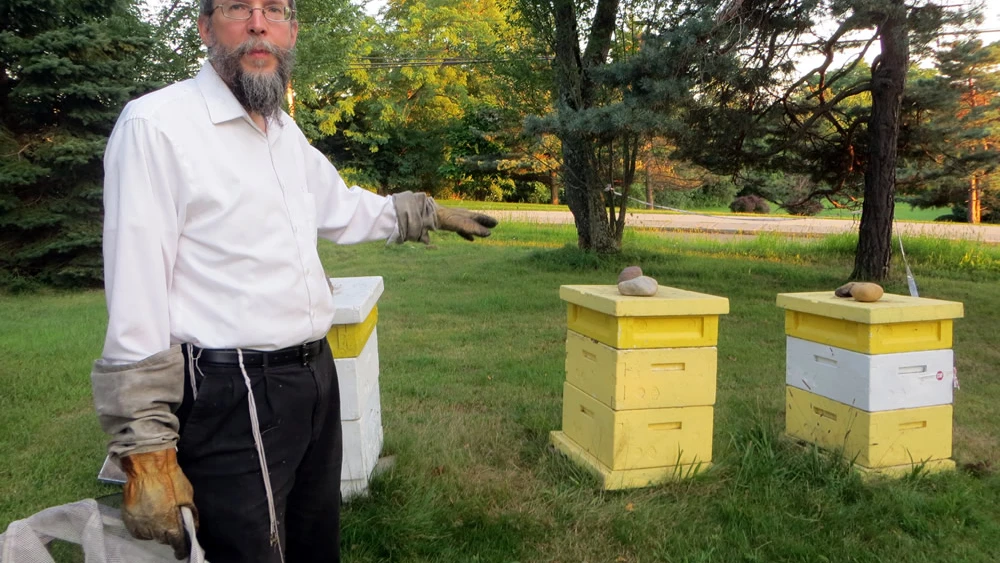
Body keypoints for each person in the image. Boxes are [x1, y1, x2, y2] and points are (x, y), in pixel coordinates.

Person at [89, 0, 497, 561]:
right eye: (239, 7)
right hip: (232, 392)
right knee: (252, 551)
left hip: (312, 375)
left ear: (292, 31)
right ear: (207, 27)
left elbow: (339, 207)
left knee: (313, 540)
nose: (259, 23)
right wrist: (146, 448)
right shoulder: (156, 125)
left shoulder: (281, 129)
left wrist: (418, 211)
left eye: (274, 10)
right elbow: (136, 294)